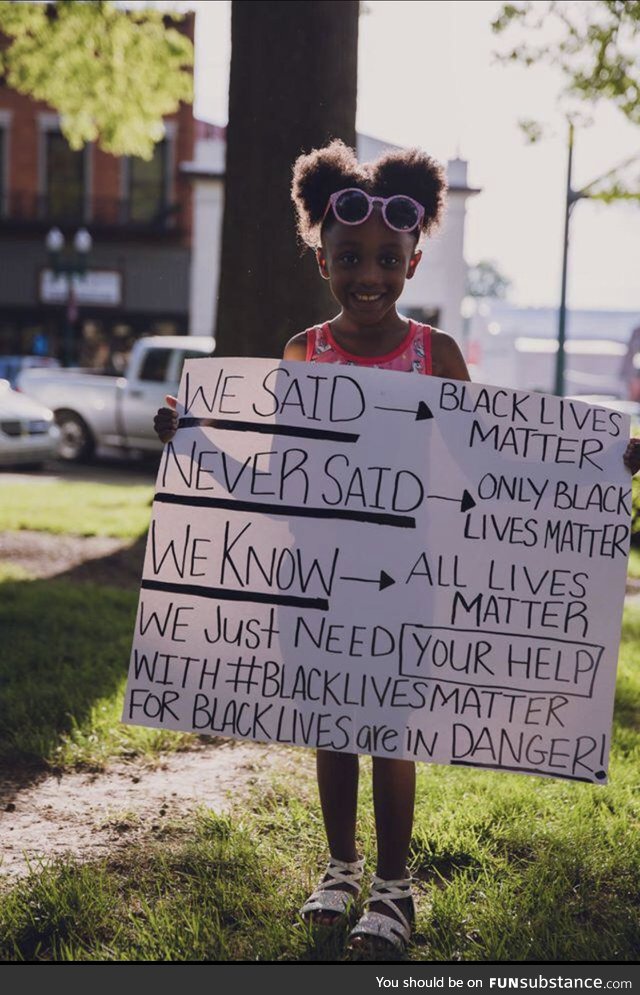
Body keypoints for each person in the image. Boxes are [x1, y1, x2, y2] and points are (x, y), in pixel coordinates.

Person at [153, 139, 640, 958]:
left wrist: (599, 465)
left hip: (404, 583)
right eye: (350, 257)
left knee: (391, 732)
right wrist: (193, 438)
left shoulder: (434, 356)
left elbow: (488, 459)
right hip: (317, 578)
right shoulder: (304, 353)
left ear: (413, 263)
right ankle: (341, 865)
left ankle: (393, 884)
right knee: (331, 726)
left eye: (387, 257)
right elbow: (277, 473)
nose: (368, 273)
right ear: (322, 259)